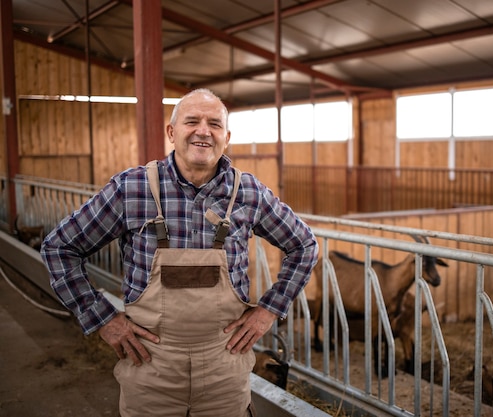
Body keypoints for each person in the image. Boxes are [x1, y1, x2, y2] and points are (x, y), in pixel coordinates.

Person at [40, 88, 319, 417]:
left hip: (224, 368)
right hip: (151, 366)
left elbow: (304, 245)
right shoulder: (132, 189)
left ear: (226, 137)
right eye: (192, 121)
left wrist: (268, 312)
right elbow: (60, 247)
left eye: (214, 124)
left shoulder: (248, 193)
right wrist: (102, 318)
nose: (203, 130)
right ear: (172, 132)